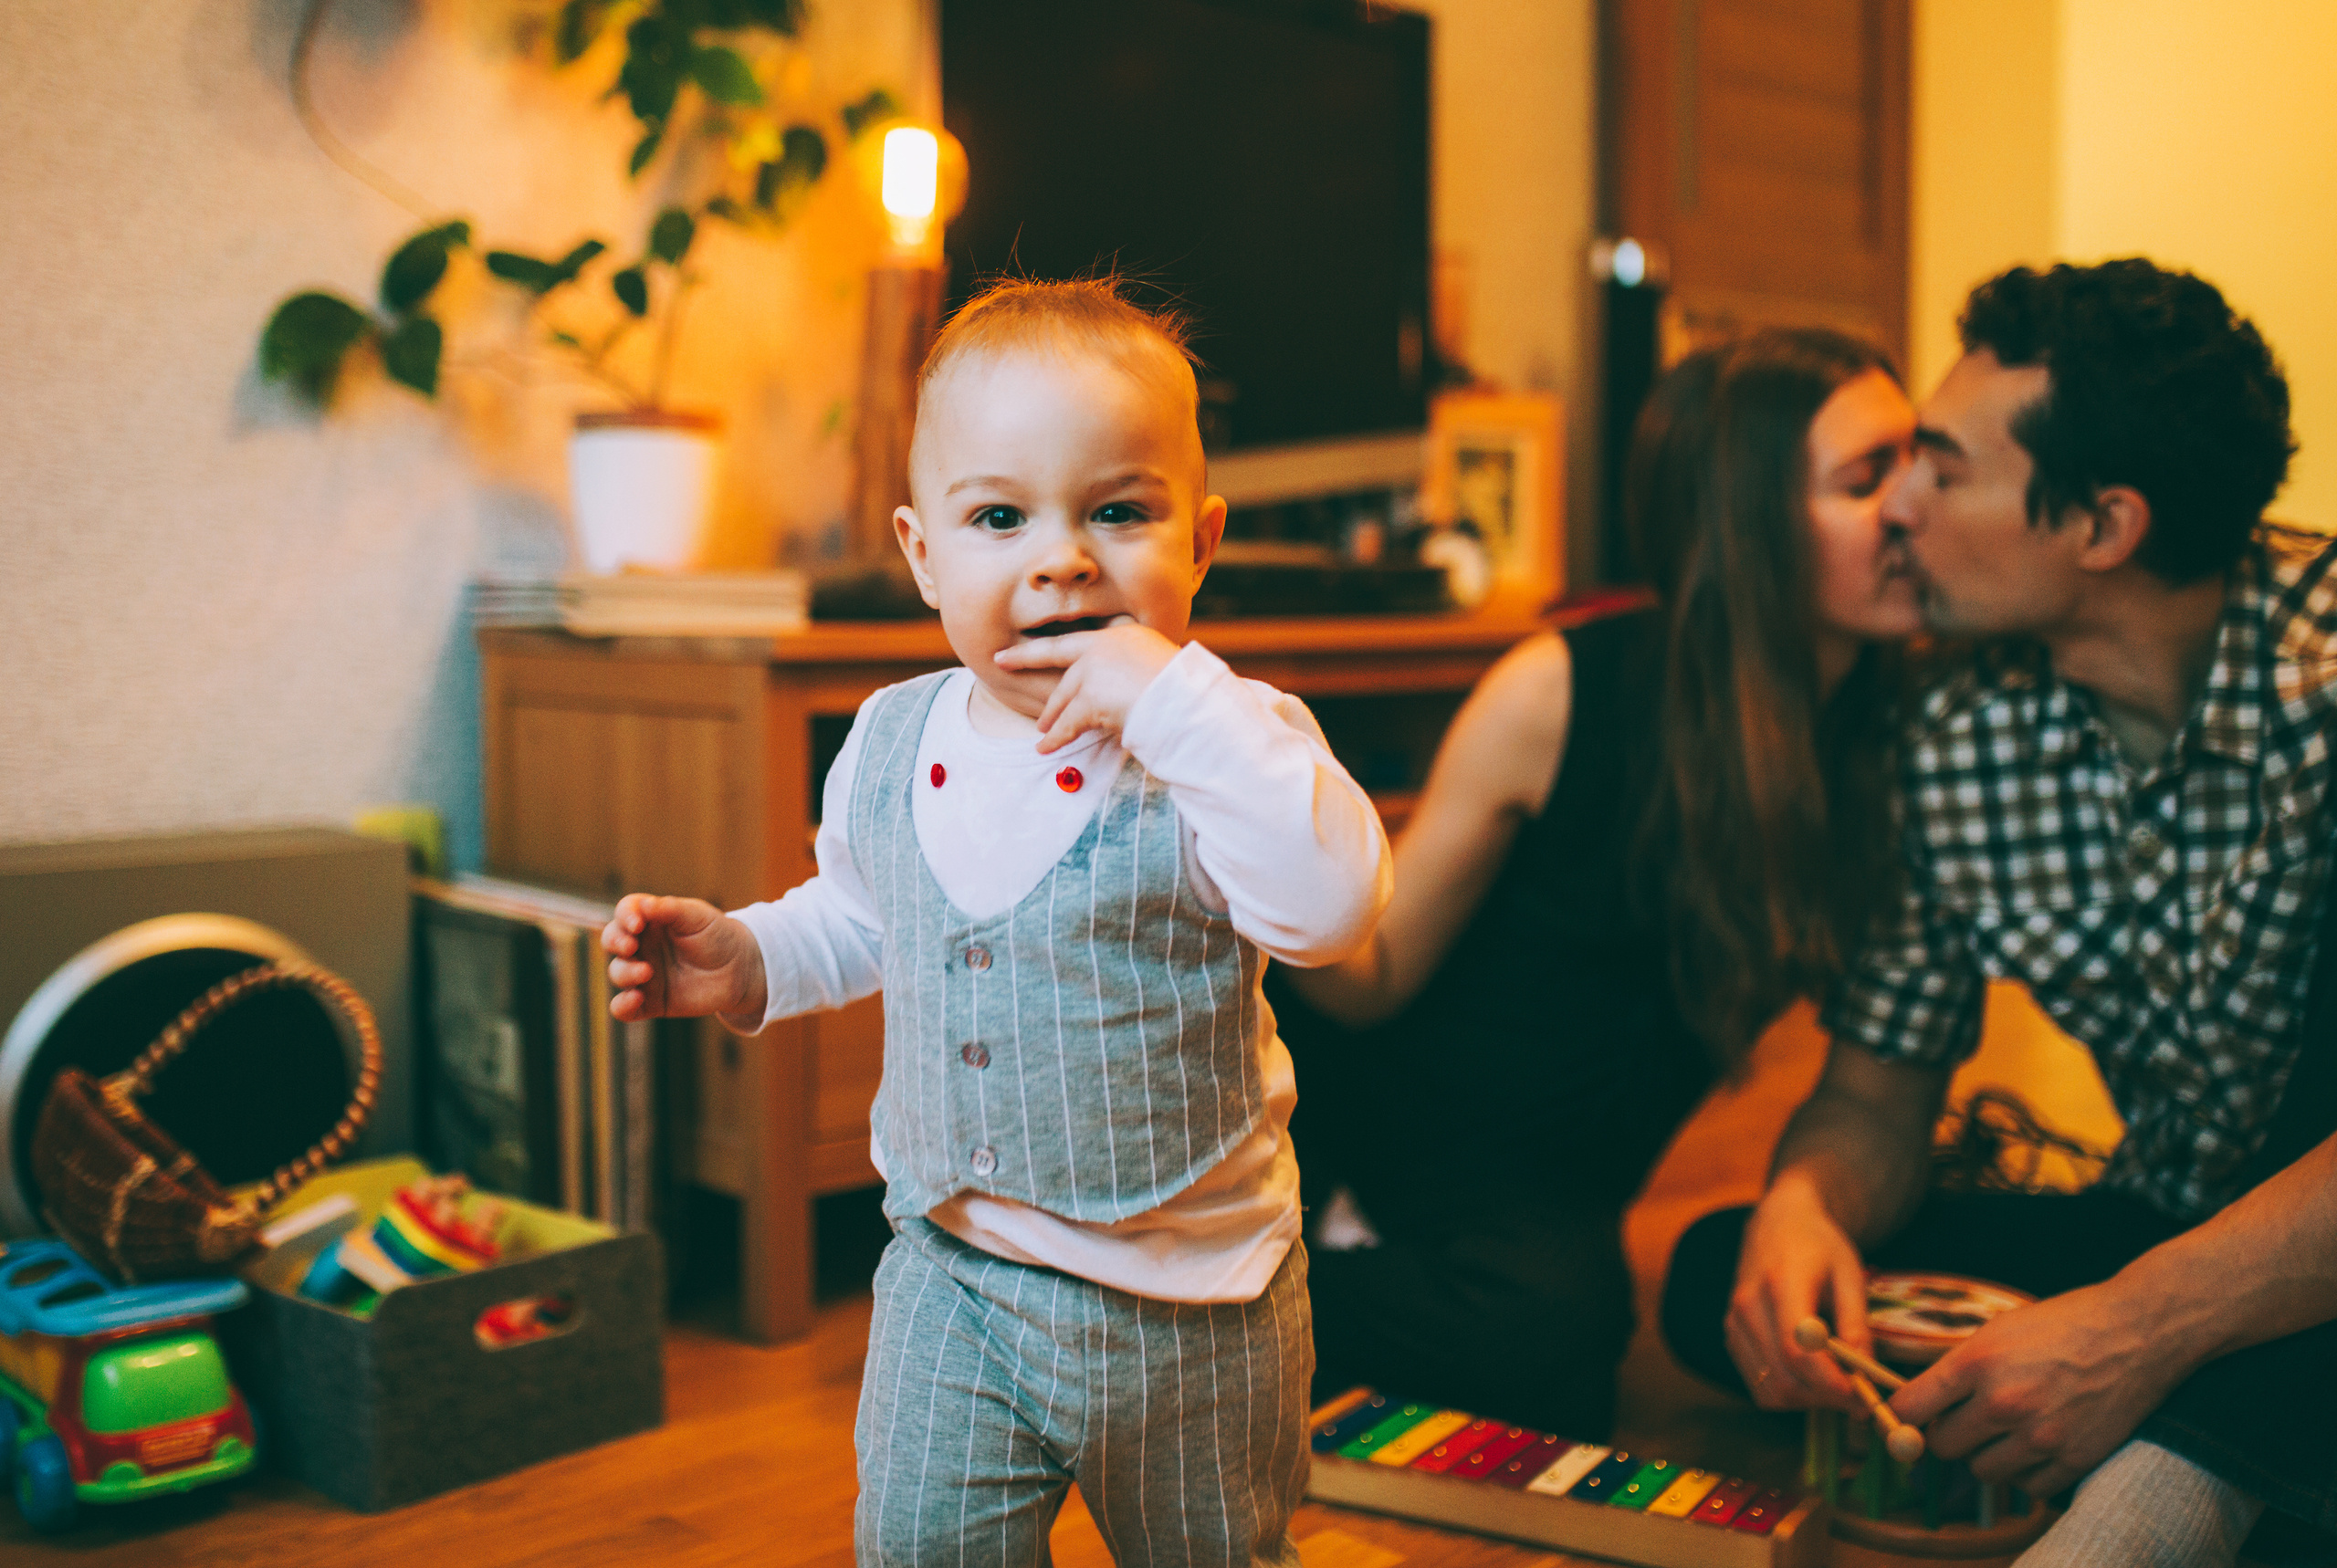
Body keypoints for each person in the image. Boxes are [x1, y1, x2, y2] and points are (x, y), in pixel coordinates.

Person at [600, 277, 1391, 1567]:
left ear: (1202, 540)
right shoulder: (890, 741)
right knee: (919, 1545)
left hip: (1198, 1306)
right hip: (957, 1276)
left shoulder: (1228, 743)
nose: (1062, 556)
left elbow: (1332, 909)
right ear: (923, 554)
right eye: (1000, 516)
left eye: (1120, 512)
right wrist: (751, 957)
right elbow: (866, 917)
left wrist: (1178, 701)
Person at [1662, 258, 2337, 1567]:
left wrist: (2131, 1332)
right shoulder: (1958, 729)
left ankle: (2168, 1491)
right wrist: (1805, 1206)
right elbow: (1873, 1097)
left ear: (2101, 526)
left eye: (1943, 469)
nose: (1898, 508)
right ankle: (2229, 1464)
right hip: (2174, 1224)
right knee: (1728, 1275)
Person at [1273, 326, 1923, 1439]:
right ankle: (1186, 1270)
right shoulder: (1559, 687)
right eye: (1867, 478)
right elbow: (1370, 979)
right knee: (1544, 1344)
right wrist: (1247, 846)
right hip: (1374, 1108)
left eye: (1922, 461)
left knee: (1565, 1349)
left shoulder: (1897, 745)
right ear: (1748, 522)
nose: (1913, 504)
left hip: (1545, 1184)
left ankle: (1284, 1263)